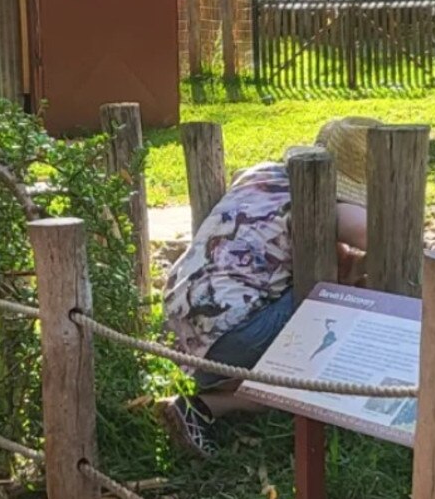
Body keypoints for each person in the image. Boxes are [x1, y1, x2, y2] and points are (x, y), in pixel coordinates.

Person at [159, 117, 380, 458]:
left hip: (187, 318)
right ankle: (210, 406)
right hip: (235, 327)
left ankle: (214, 399)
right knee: (337, 309)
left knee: (329, 276)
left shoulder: (260, 174)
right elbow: (374, 233)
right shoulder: (326, 202)